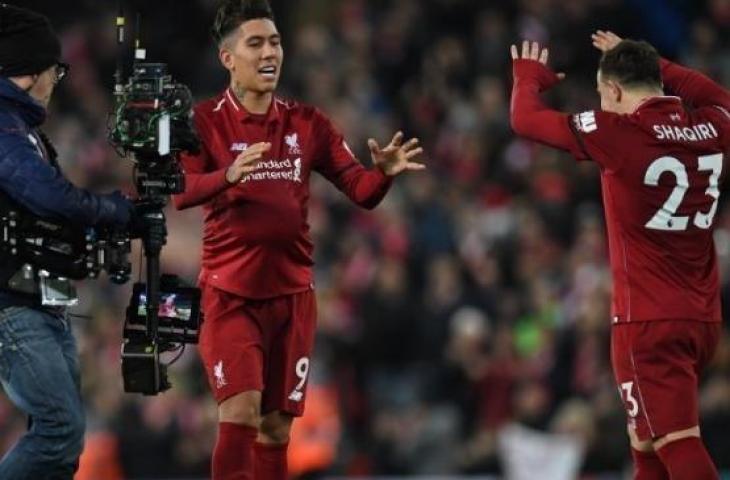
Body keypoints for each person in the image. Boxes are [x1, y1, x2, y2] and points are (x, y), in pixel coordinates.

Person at [172, 0, 424, 478]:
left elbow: (361, 191)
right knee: (239, 413)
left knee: (276, 429)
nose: (270, 52)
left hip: (292, 296)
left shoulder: (308, 123)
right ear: (228, 58)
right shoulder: (203, 122)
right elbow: (181, 192)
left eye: (275, 41)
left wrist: (384, 173)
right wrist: (227, 175)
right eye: (256, 43)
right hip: (230, 296)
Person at [510, 32, 729, 480]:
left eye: (600, 92)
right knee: (645, 444)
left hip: (646, 320)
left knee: (678, 443)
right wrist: (658, 64)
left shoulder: (619, 132)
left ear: (611, 90)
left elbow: (525, 120)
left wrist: (526, 78)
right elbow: (714, 93)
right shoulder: (715, 125)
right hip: (701, 316)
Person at [0, 4, 136, 479]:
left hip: (38, 297)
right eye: (54, 69)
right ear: (29, 71)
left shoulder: (23, 129)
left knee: (64, 442)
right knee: (58, 431)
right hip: (11, 301)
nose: (57, 80)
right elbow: (46, 195)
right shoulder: (3, 126)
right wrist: (114, 210)